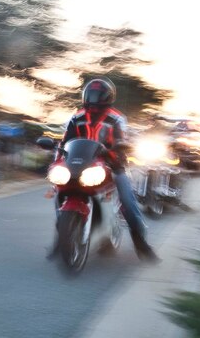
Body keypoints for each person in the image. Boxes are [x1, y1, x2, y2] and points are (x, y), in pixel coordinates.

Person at [56, 78, 159, 263]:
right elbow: (64, 143)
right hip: (81, 165)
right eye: (91, 95)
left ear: (107, 97)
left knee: (127, 201)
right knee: (59, 190)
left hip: (112, 165)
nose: (93, 99)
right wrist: (57, 161)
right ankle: (61, 237)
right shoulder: (76, 118)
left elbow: (121, 138)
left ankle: (141, 243)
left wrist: (120, 147)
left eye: (98, 95)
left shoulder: (116, 118)